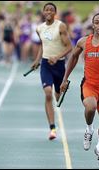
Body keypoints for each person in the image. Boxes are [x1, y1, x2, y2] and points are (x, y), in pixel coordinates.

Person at [60, 13, 99, 168]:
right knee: (91, 106)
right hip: (89, 84)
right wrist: (65, 79)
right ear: (93, 25)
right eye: (97, 22)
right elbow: (73, 58)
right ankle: (89, 129)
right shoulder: (83, 41)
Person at [31, 2, 72, 140]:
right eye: (46, 10)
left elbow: (69, 47)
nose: (48, 12)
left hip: (59, 65)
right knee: (48, 93)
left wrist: (57, 57)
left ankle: (61, 89)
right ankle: (52, 128)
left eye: (51, 10)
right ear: (43, 12)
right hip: (46, 64)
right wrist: (37, 60)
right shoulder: (39, 28)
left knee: (58, 95)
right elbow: (44, 45)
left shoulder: (60, 26)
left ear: (55, 13)